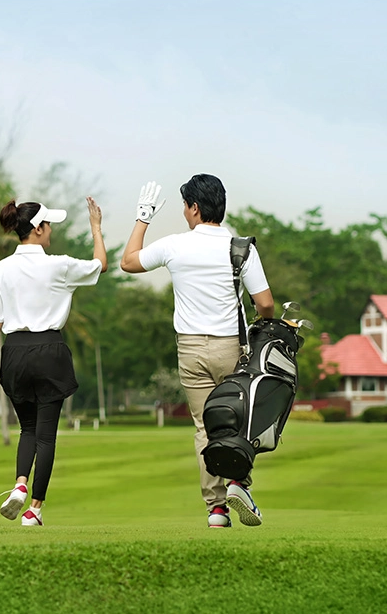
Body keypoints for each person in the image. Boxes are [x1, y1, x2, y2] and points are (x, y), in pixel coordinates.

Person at [120, 175, 275, 528]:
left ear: (193, 207)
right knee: (239, 423)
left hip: (190, 349)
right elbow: (265, 303)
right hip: (231, 348)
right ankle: (239, 484)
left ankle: (216, 510)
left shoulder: (176, 245)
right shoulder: (241, 248)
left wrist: (143, 217)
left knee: (205, 427)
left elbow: (128, 262)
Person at [0, 196, 107, 527]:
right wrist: (96, 228)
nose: (51, 230)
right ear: (37, 229)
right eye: (48, 225)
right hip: (49, 350)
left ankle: (20, 483)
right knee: (46, 435)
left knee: (27, 428)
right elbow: (100, 264)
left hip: (14, 353)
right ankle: (34, 509)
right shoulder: (58, 265)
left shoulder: (1, 268)